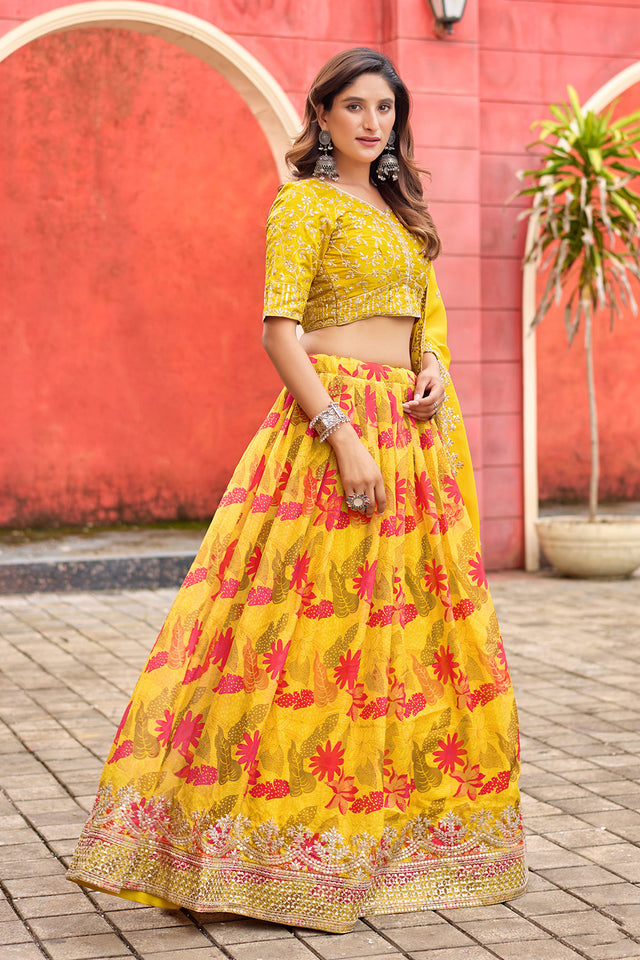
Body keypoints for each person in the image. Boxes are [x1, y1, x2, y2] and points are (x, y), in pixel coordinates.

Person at [67, 47, 527, 934]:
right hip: (335, 430)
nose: (370, 123)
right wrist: (341, 435)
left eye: (384, 110)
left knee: (409, 636)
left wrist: (432, 368)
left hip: (411, 431)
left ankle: (387, 837)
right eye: (353, 107)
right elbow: (280, 333)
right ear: (321, 116)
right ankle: (254, 841)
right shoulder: (304, 203)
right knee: (301, 634)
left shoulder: (399, 209)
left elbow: (420, 319)